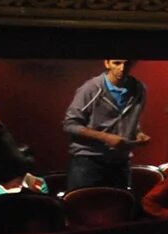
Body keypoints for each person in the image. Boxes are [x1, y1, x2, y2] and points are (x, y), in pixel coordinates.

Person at [60, 57, 151, 192]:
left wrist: (138, 133)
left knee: (118, 206)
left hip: (120, 162)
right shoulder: (91, 89)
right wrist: (106, 137)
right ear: (107, 63)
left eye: (127, 63)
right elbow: (69, 124)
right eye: (117, 63)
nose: (122, 68)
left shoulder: (139, 89)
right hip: (89, 160)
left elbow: (131, 121)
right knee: (83, 206)